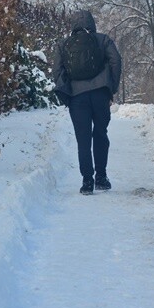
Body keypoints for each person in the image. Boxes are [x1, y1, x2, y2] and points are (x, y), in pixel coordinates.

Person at [52, 10, 122, 195]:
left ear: (73, 25)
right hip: (100, 94)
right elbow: (116, 60)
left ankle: (87, 182)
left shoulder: (64, 44)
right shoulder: (103, 39)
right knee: (100, 134)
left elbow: (57, 71)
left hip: (77, 97)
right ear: (92, 24)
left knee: (83, 140)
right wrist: (111, 87)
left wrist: (67, 94)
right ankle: (101, 177)